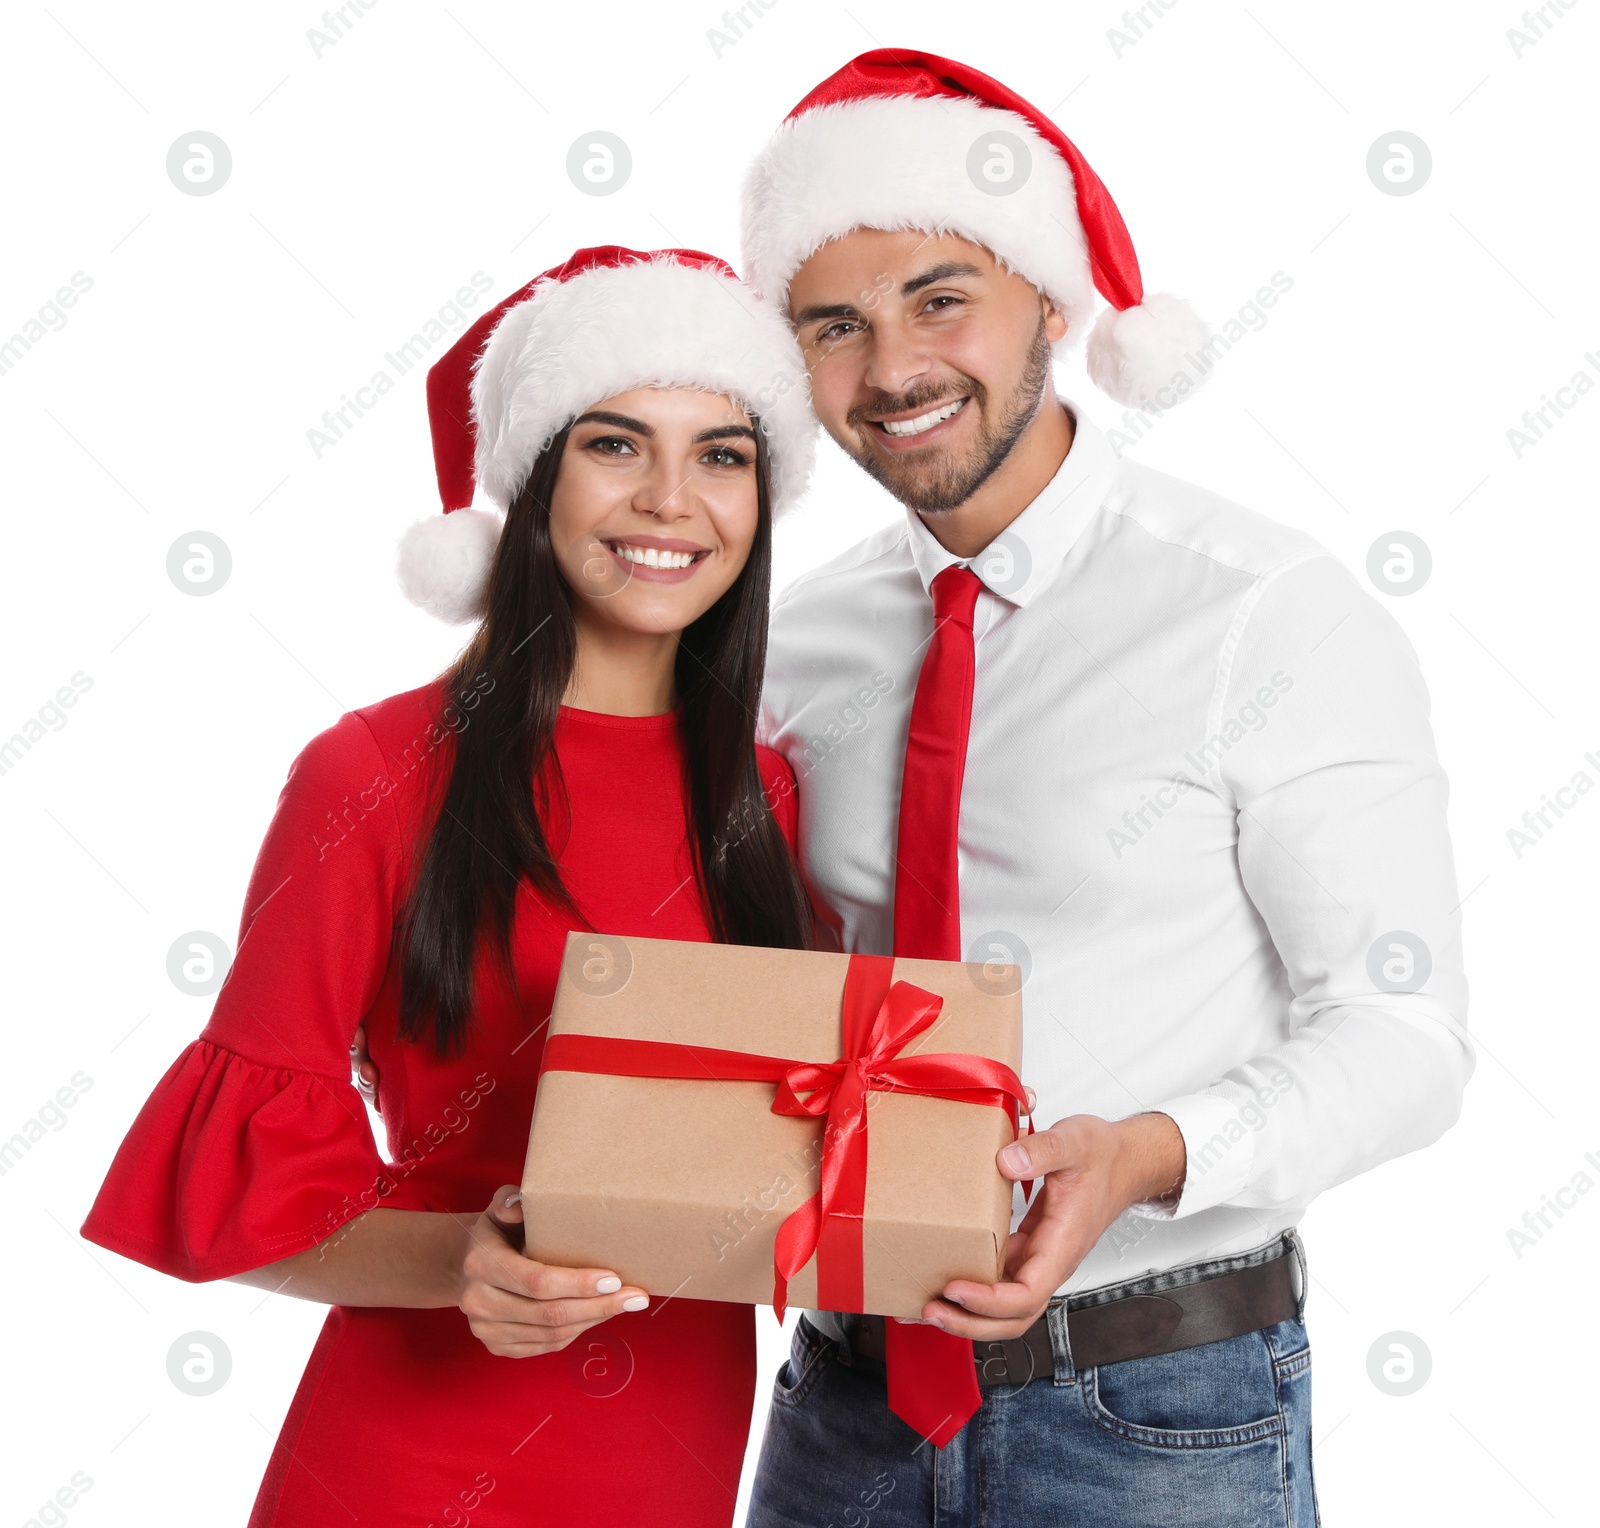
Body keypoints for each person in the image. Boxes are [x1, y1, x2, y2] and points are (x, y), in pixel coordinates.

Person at [735, 50, 1476, 1526]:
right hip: (841, 1406)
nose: (892, 370)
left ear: (1052, 305)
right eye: (835, 325)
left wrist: (1148, 1154)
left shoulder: (1264, 613)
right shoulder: (788, 644)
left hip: (1154, 1407)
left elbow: (1409, 1036)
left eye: (942, 297)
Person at [78, 245, 818, 1528]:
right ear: (535, 480)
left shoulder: (770, 796)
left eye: (721, 454)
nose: (669, 500)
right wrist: (458, 1264)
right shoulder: (370, 772)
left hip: (677, 1442)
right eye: (613, 444)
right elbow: (240, 1198)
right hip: (414, 1452)